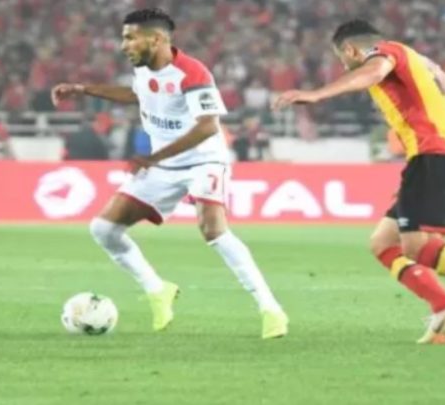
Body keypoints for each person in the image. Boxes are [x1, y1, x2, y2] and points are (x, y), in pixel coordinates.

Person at [274, 20, 445, 345]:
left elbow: (372, 72)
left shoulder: (385, 53)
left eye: (341, 58)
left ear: (351, 50)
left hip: (437, 157)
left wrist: (316, 95)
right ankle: (444, 307)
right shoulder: (424, 65)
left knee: (417, 247)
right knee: (384, 243)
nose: (343, 66)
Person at [52, 8, 288, 339]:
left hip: (203, 160)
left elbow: (208, 127)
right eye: (124, 38)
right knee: (104, 229)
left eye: (130, 38)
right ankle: (157, 289)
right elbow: (139, 95)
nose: (124, 46)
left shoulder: (192, 73)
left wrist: (154, 156)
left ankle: (271, 310)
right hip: (162, 164)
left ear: (156, 39)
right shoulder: (143, 68)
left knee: (213, 230)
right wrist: (83, 89)